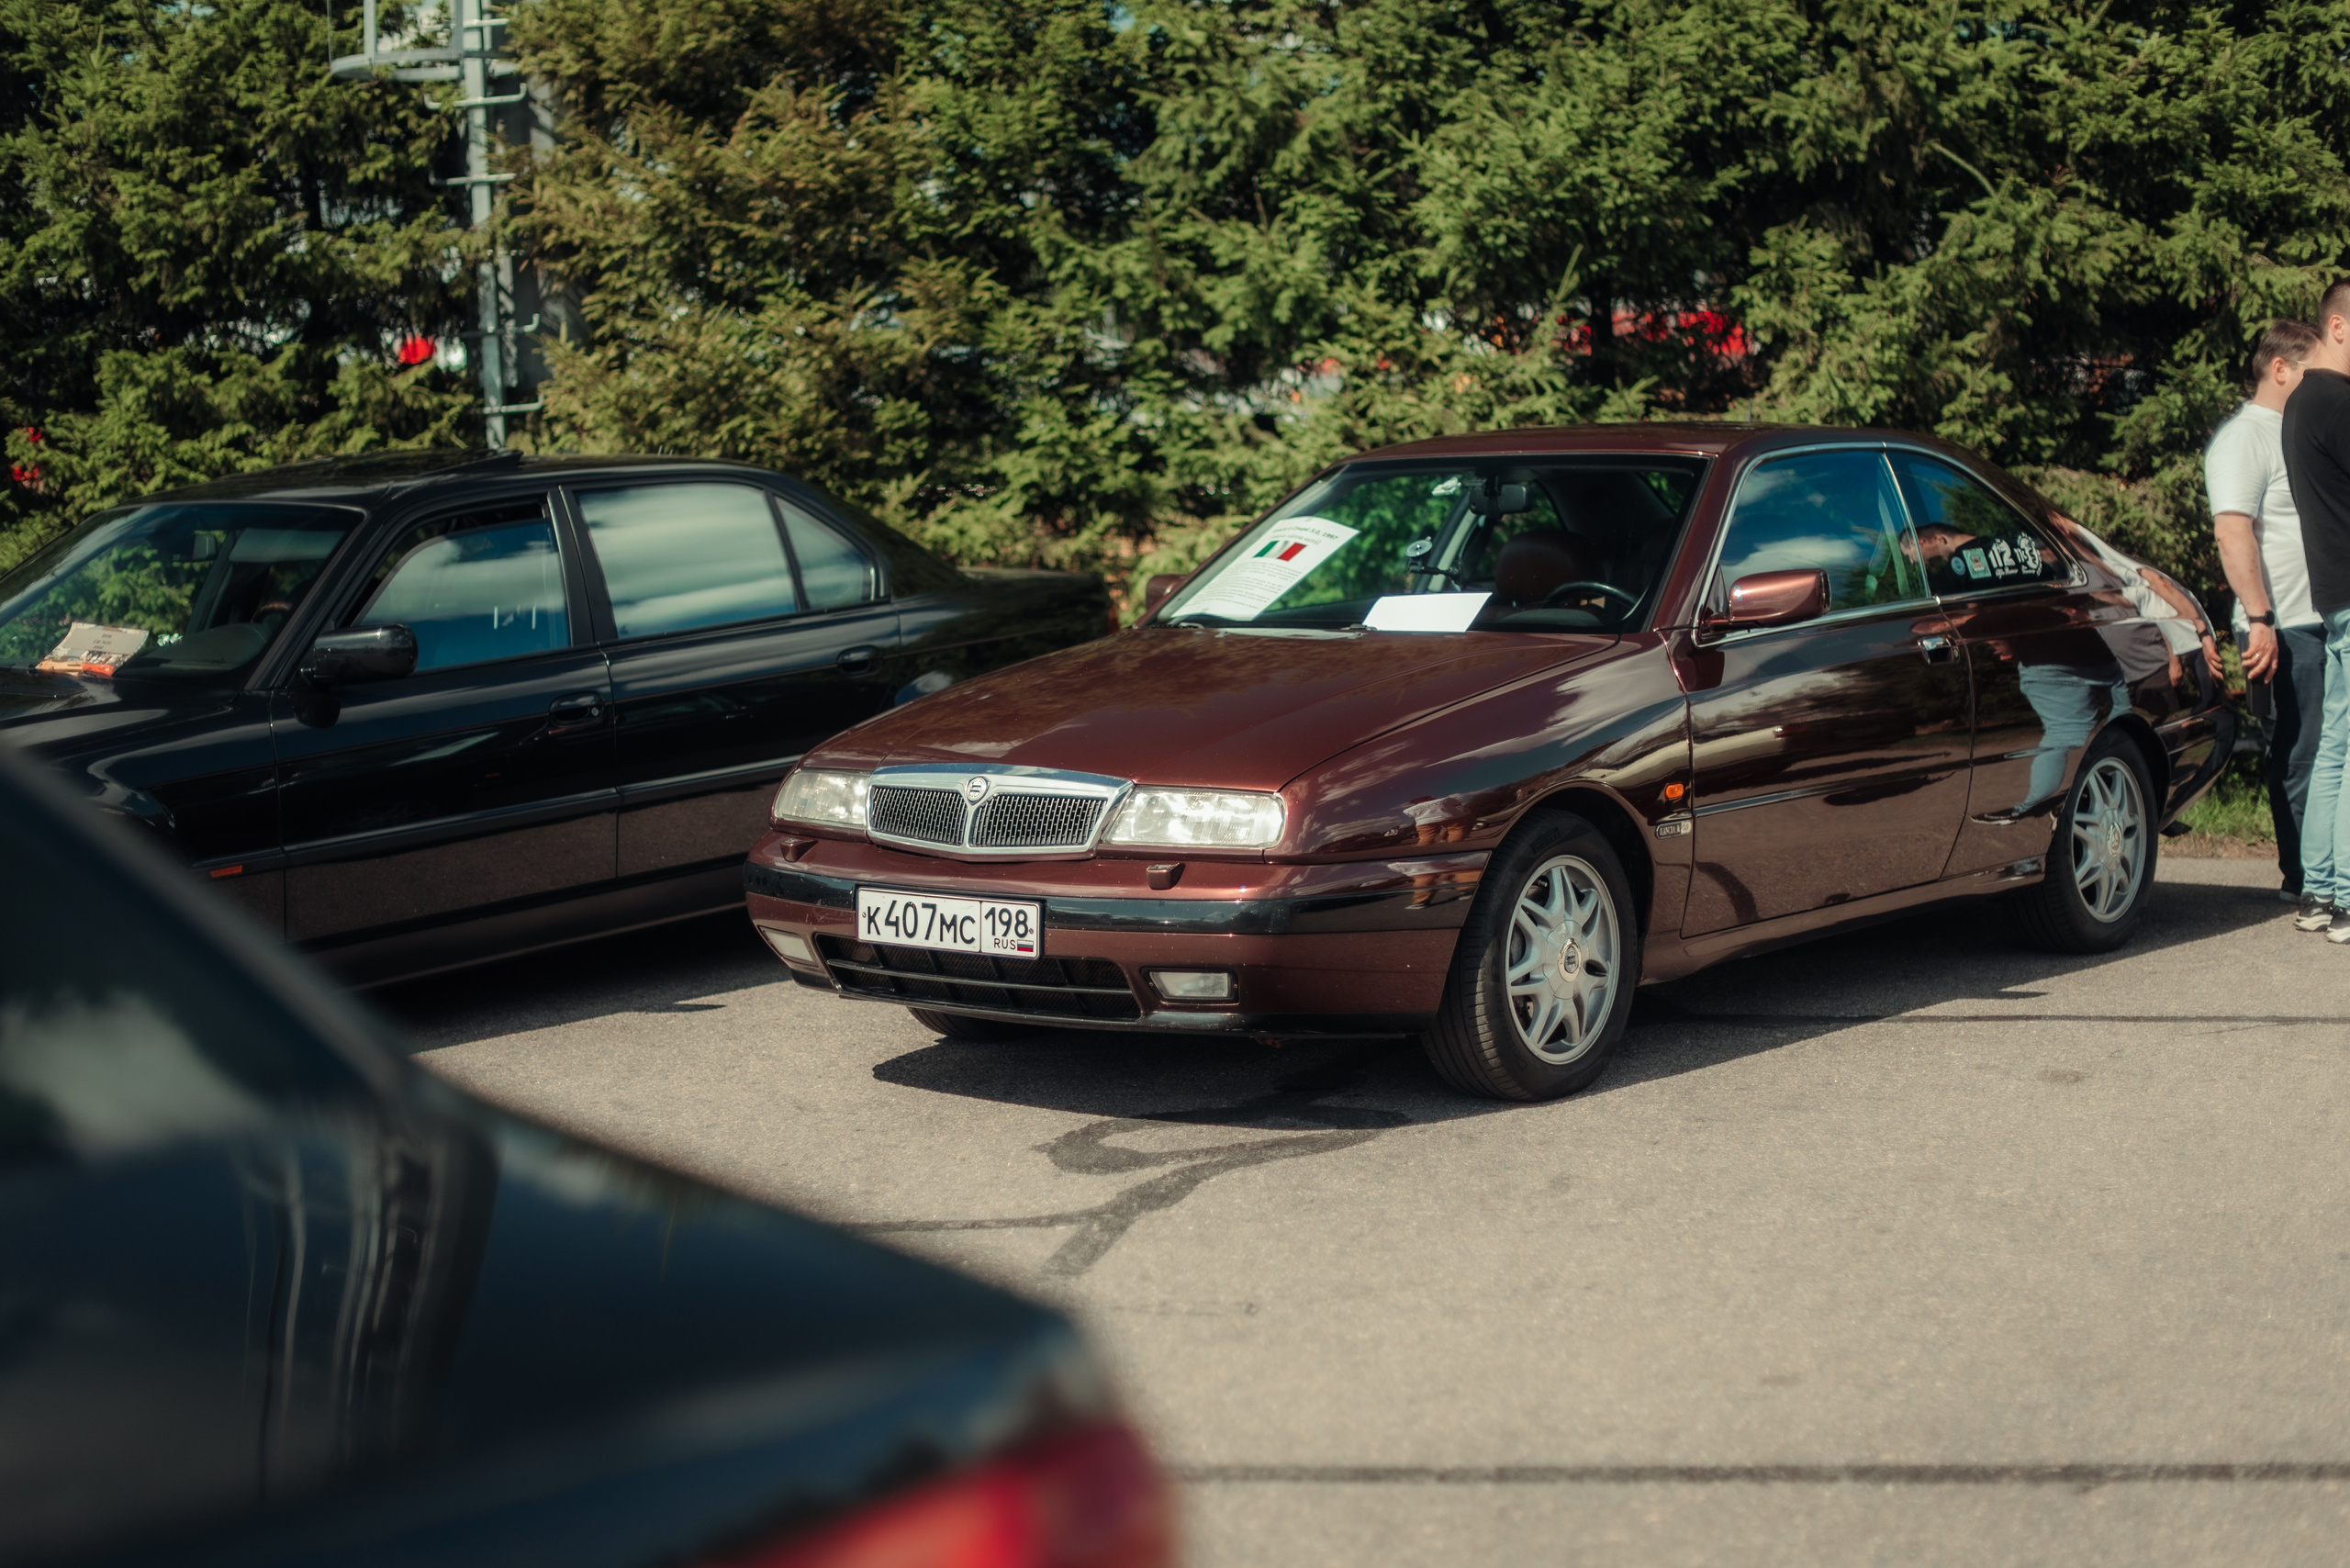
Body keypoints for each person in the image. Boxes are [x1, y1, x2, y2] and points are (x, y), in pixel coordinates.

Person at [2207, 319, 2325, 903]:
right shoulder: (2244, 439)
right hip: (2281, 625)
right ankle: (2305, 879)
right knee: (2300, 752)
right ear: (2281, 369)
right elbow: (2233, 532)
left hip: (2318, 620)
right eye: (2314, 374)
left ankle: (2326, 873)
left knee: (2326, 751)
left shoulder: (2294, 432)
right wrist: (2260, 619)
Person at [2277, 281, 2350, 944]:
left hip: (2331, 593)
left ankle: (2319, 892)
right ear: (2338, 326)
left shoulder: (2301, 401)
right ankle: (2346, 897)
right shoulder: (2340, 403)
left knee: (2335, 745)